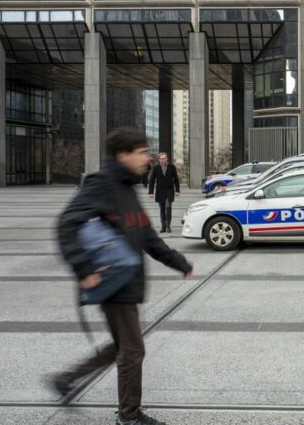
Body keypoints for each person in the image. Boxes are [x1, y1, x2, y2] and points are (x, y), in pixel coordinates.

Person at [54, 128, 193, 425]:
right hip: (114, 281)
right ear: (123, 155)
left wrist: (178, 262)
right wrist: (84, 269)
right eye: (142, 151)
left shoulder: (127, 187)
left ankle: (67, 378)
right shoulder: (102, 184)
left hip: (126, 279)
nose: (149, 157)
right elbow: (66, 223)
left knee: (123, 347)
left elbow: (145, 234)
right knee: (132, 351)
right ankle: (128, 417)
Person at [148, 153, 180, 233]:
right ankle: (163, 226)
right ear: (159, 159)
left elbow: (176, 179)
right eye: (162, 158)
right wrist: (151, 192)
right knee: (162, 209)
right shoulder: (156, 168)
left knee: (168, 207)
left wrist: (177, 190)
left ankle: (168, 226)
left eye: (165, 158)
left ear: (167, 158)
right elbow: (152, 180)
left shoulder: (172, 167)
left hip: (169, 191)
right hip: (160, 191)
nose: (163, 160)